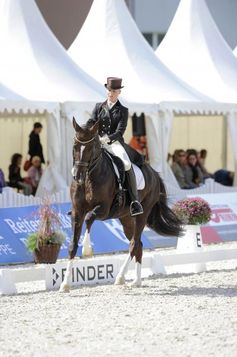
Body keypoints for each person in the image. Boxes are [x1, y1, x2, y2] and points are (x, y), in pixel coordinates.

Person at [87, 77, 143, 216]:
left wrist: (107, 139)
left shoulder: (122, 110)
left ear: (119, 92)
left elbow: (120, 131)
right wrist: (87, 131)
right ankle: (80, 198)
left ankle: (134, 201)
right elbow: (91, 122)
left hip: (114, 143)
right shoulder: (98, 107)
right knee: (83, 159)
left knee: (126, 164)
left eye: (114, 91)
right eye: (109, 90)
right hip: (97, 143)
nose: (110, 93)